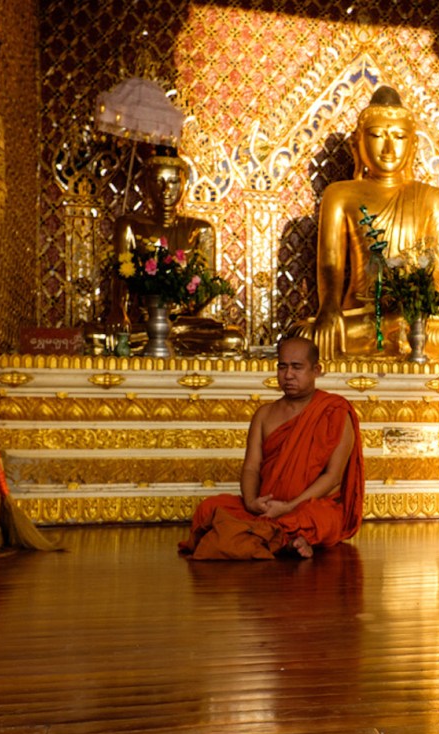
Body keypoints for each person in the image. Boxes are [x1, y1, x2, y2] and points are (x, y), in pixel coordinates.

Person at [296, 85, 439, 363]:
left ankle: (403, 339)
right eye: (376, 136)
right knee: (306, 336)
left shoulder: (432, 197)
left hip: (416, 320)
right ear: (357, 144)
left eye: (399, 137)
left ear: (412, 145)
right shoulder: (339, 194)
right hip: (362, 316)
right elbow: (330, 265)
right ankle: (399, 341)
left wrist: (416, 298)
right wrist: (328, 308)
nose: (388, 148)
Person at [178, 336, 364, 559]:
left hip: (309, 505)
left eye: (297, 367)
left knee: (322, 518)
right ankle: (285, 538)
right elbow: (251, 468)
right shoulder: (264, 414)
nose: (288, 375)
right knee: (209, 508)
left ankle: (274, 535)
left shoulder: (334, 411)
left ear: (316, 370)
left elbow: (333, 477)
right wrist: (251, 502)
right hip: (265, 507)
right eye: (282, 367)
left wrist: (289, 506)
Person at [105, 152, 243, 355]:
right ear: (146, 185)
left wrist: (178, 305)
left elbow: (207, 285)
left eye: (173, 182)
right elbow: (121, 278)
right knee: (96, 337)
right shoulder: (130, 225)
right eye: (158, 181)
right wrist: (119, 312)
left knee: (233, 339)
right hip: (144, 321)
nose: (166, 190)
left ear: (185, 185)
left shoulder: (200, 229)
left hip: (183, 323)